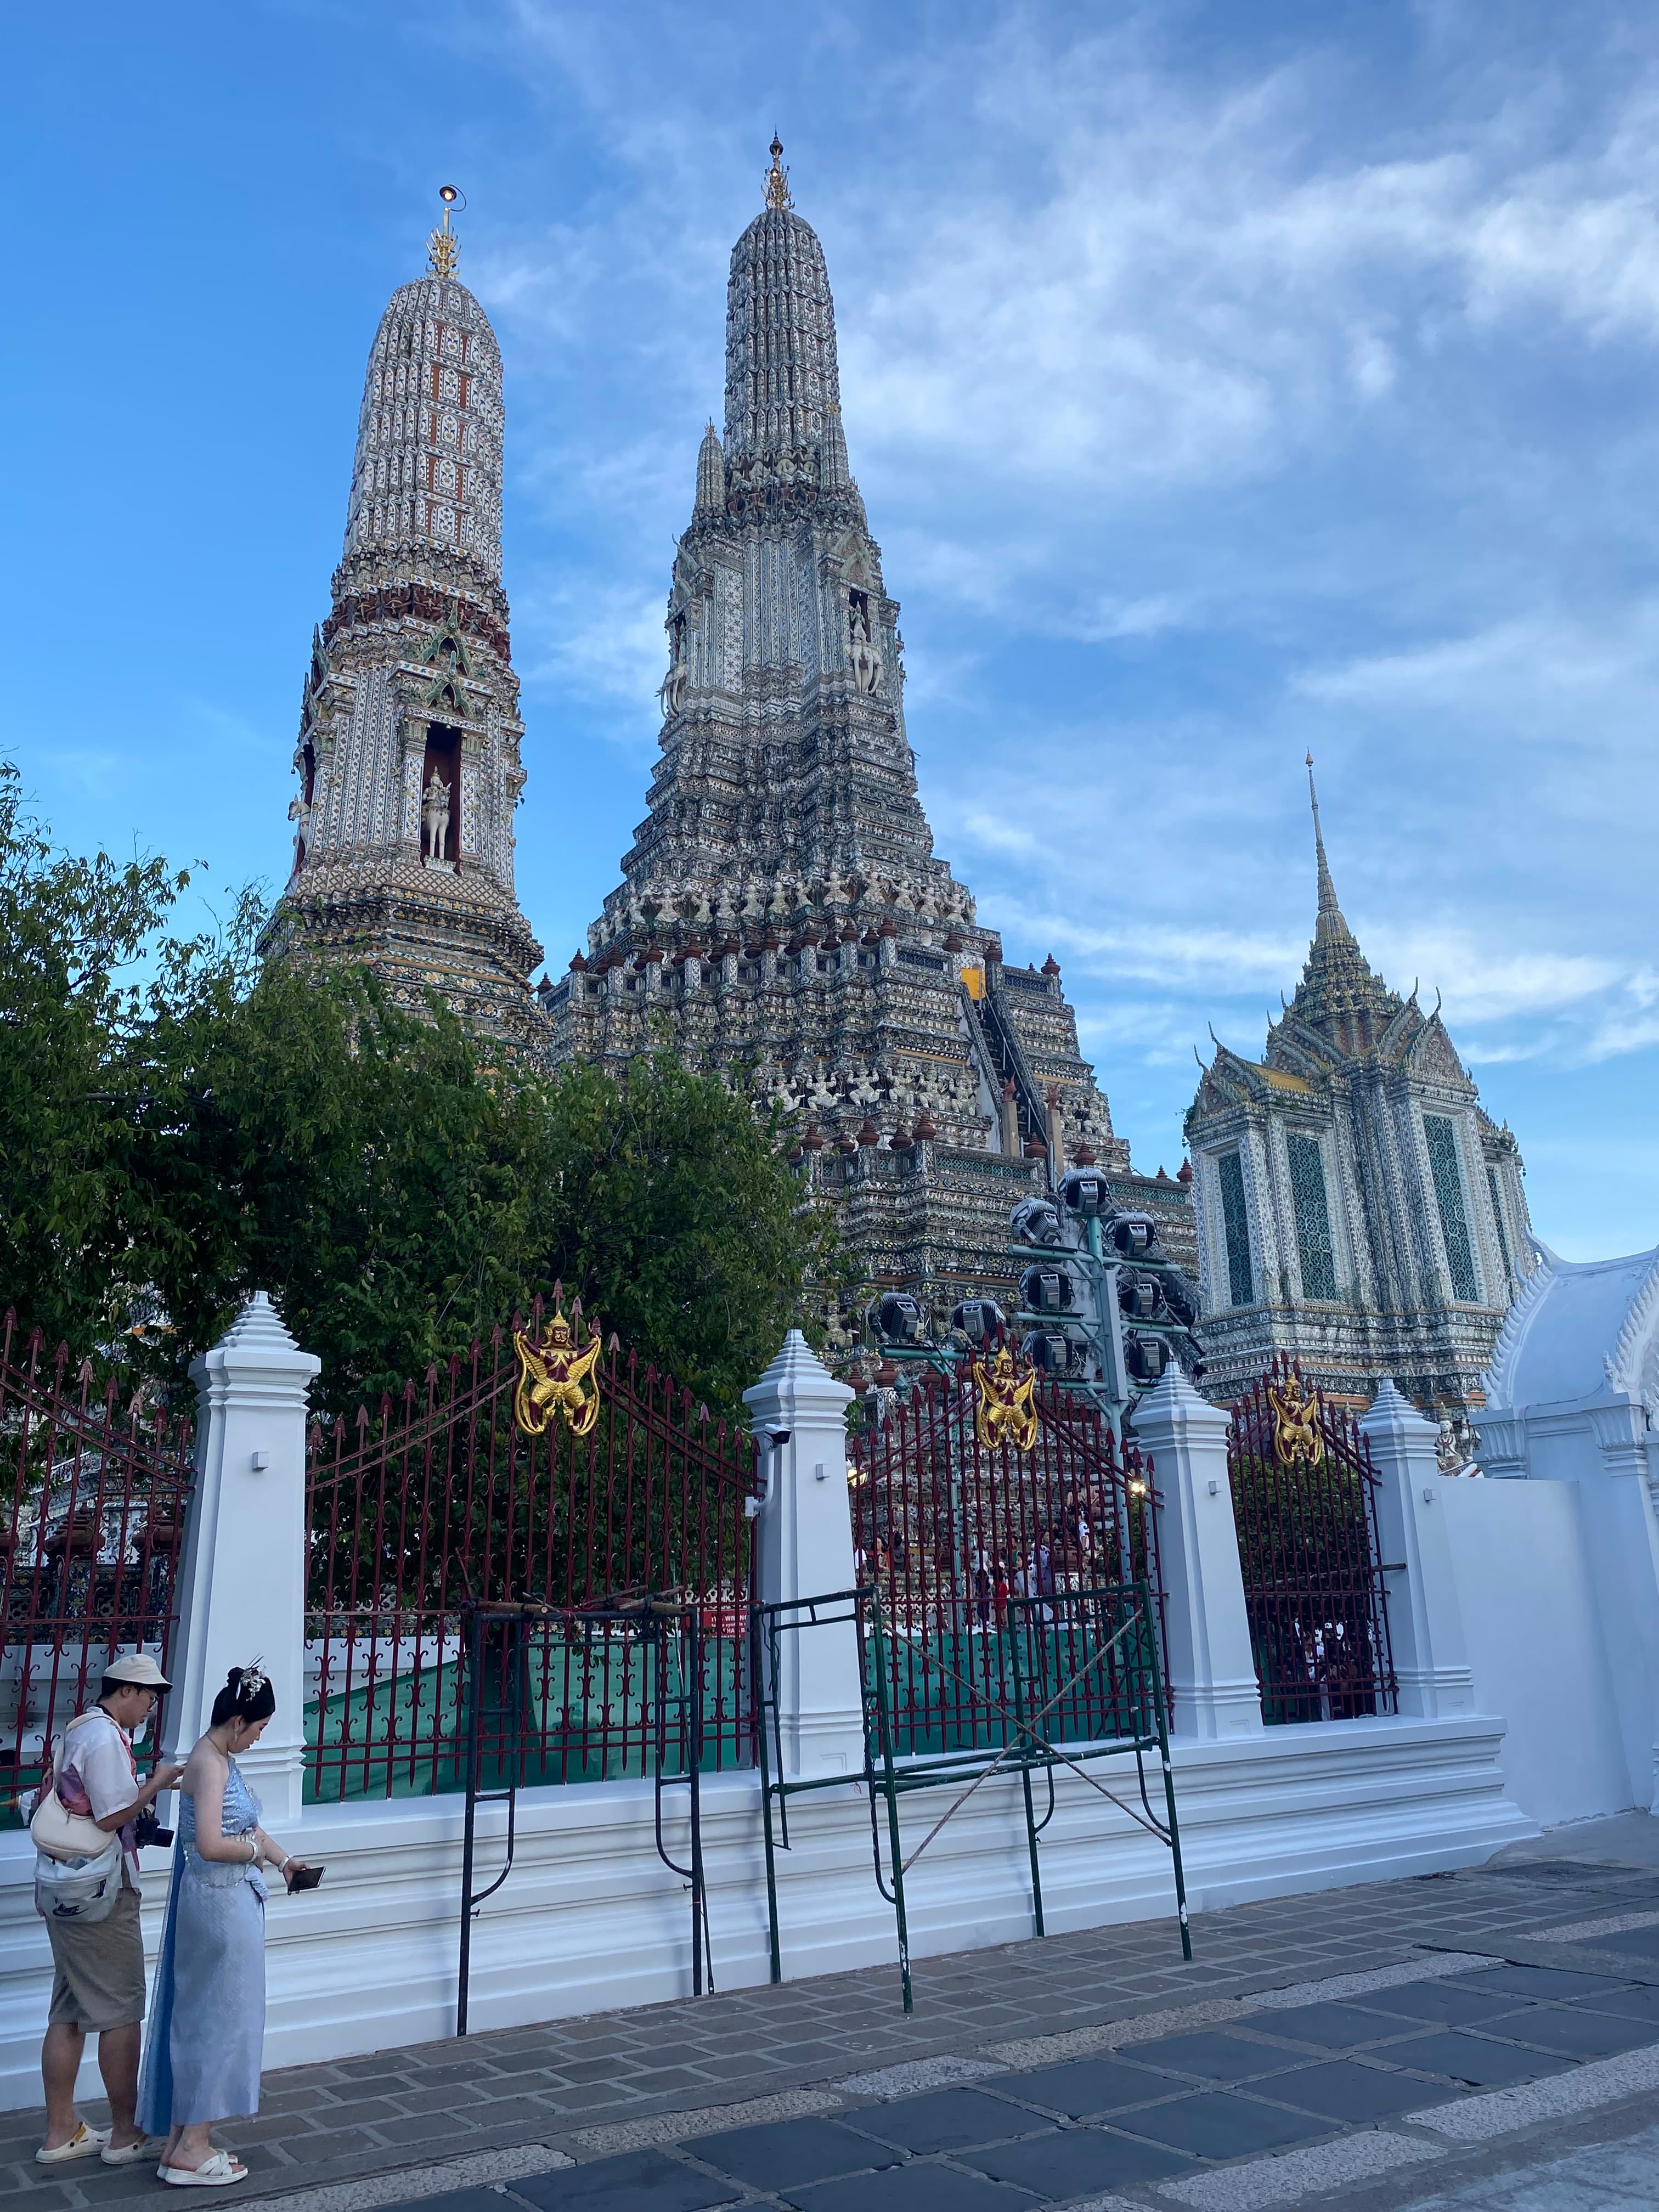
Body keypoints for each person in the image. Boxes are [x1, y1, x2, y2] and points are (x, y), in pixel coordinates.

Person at [138, 1666, 309, 2187]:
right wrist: (258, 1855)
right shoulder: (209, 1765)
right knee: (217, 2021)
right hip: (219, 1901)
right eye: (258, 1728)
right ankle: (192, 2145)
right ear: (237, 1721)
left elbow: (247, 1824)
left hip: (226, 1899)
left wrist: (284, 1862)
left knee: (208, 2016)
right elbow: (212, 1844)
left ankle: (182, 2140)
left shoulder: (218, 1758)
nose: (261, 1738)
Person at [36, 1652, 184, 2169]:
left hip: (67, 1890)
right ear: (125, 1690)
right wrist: (160, 1782)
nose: (149, 1707)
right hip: (99, 1893)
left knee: (69, 2009)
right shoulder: (102, 1739)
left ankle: (62, 2131)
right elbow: (111, 1816)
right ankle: (125, 2134)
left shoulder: (82, 1730)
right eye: (148, 1697)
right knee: (121, 2010)